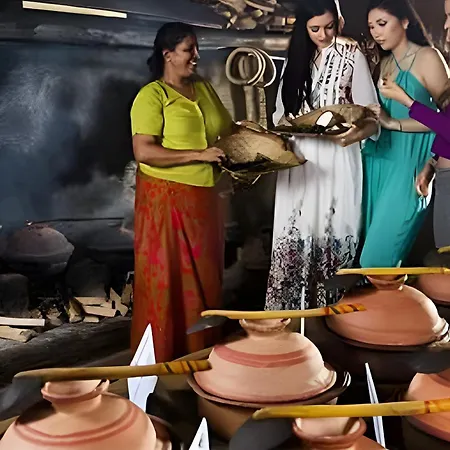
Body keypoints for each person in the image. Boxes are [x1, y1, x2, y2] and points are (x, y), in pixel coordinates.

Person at [265, 0, 379, 310]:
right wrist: (285, 129)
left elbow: (370, 115)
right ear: (303, 28)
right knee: (296, 231)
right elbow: (280, 114)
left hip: (338, 158)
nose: (323, 35)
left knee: (335, 228)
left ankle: (334, 313)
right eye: (315, 29)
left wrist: (351, 134)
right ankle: (292, 316)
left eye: (329, 26)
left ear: (338, 21)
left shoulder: (351, 55)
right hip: (300, 158)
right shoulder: (296, 58)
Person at [130, 22, 233, 361]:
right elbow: (144, 151)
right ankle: (164, 358)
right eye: (189, 49)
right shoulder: (152, 95)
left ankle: (202, 353)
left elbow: (227, 129)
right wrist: (198, 155)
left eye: (196, 48)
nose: (196, 56)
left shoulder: (203, 88)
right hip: (166, 199)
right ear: (168, 54)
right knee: (167, 279)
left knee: (207, 278)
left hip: (204, 199)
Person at [360, 0, 449, 268]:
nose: (376, 32)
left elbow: (445, 123)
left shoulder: (428, 57)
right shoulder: (384, 64)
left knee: (376, 259)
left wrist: (430, 163)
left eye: (382, 24)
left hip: (409, 164)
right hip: (377, 161)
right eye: (371, 27)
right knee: (374, 265)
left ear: (405, 21)